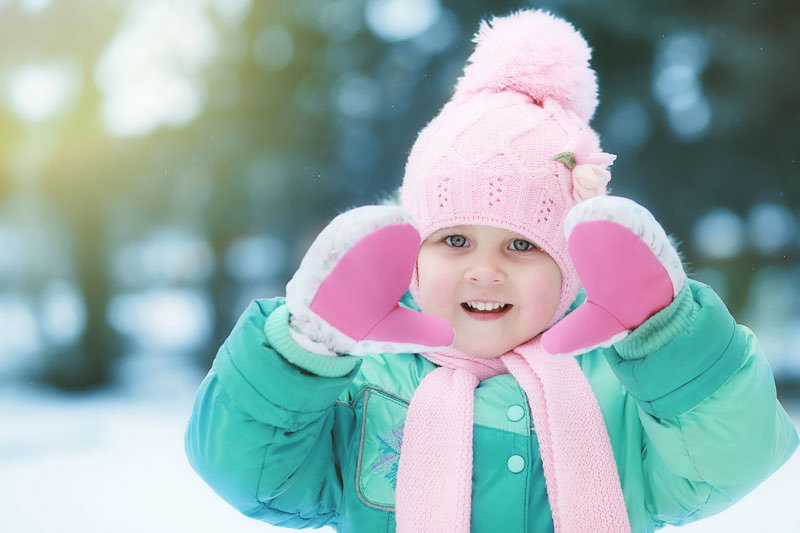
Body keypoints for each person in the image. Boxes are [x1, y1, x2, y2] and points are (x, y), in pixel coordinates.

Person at [184, 9, 798, 533]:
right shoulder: (364, 384)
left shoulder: (617, 390)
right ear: (414, 255)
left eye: (523, 247)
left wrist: (667, 336)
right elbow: (249, 472)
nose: (485, 271)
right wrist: (303, 352)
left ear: (573, 269)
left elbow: (733, 456)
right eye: (454, 239)